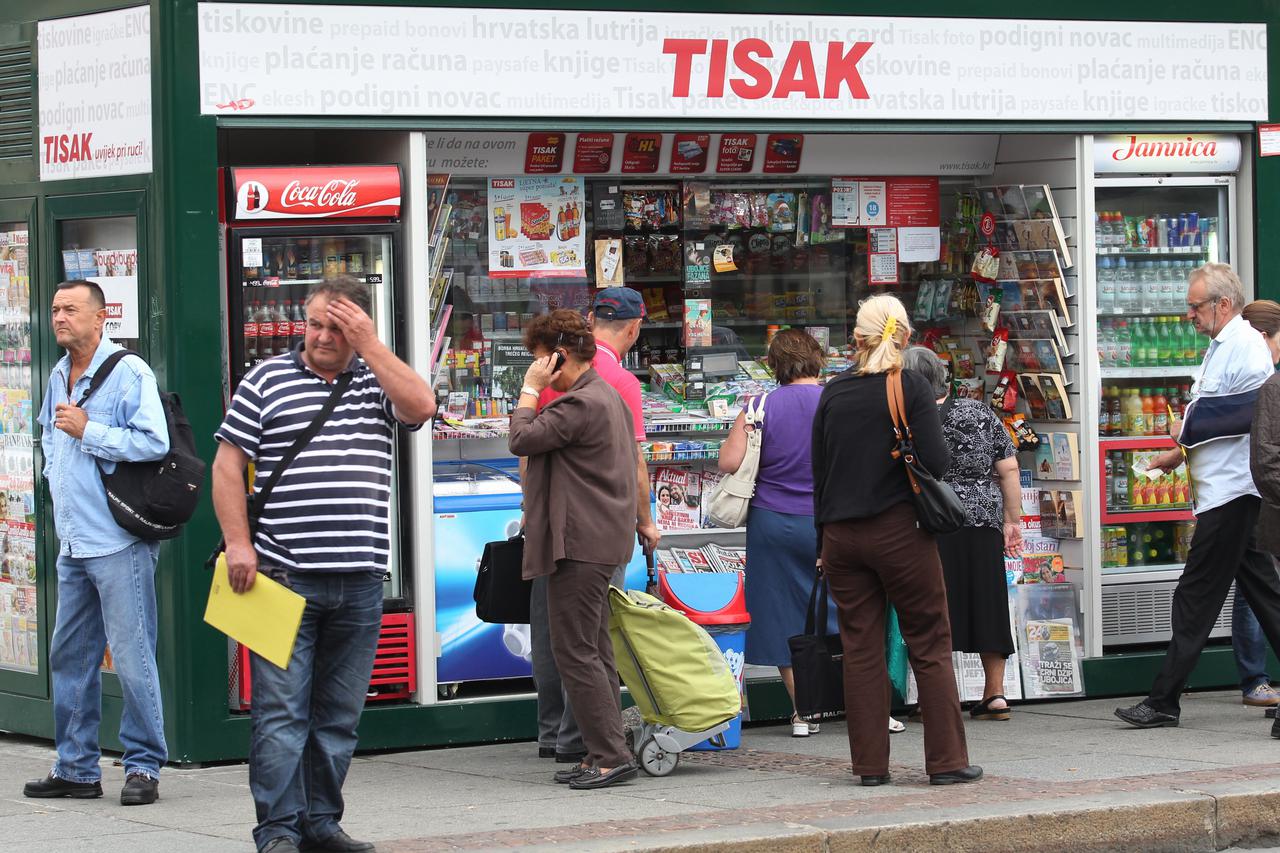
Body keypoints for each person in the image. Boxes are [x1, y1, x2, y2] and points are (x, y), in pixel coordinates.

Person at [212, 277, 435, 853]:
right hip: (283, 575)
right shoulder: (266, 380)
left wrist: (372, 346)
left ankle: (320, 823)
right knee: (281, 714)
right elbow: (227, 466)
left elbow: (421, 406)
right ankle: (278, 830)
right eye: (315, 323)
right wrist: (238, 543)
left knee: (338, 716)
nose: (323, 336)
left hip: (360, 578)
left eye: (338, 327)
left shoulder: (376, 379)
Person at [811, 294, 980, 787]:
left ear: (856, 339)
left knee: (860, 648)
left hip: (841, 536)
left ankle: (869, 767)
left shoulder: (833, 392)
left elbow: (819, 473)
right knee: (928, 640)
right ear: (905, 337)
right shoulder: (910, 385)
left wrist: (823, 542)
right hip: (899, 531)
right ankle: (946, 762)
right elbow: (937, 462)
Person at [23, 280, 169, 806]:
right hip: (74, 542)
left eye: (70, 309)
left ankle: (144, 765)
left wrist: (91, 432)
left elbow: (155, 442)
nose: (59, 317)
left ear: (100, 317)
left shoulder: (129, 372)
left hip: (118, 541)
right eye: (55, 309)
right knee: (70, 658)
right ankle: (77, 768)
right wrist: (54, 477)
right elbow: (49, 435)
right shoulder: (58, 373)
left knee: (132, 658)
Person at [1117, 264, 1280, 731]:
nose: (1189, 314)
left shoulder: (1244, 345)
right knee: (1267, 597)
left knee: (1195, 596)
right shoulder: (1224, 344)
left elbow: (1250, 411)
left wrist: (1184, 428)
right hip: (1228, 491)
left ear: (1222, 305)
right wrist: (1177, 453)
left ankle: (1163, 699)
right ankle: (1163, 700)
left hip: (1232, 492)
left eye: (1195, 306)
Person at [525, 287, 660, 765]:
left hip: (569, 529)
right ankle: (580, 741)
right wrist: (644, 520)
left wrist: (532, 509)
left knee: (564, 639)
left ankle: (570, 738)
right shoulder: (615, 382)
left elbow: (525, 446)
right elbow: (634, 463)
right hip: (590, 529)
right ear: (634, 327)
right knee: (584, 639)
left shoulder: (566, 384)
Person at [509, 309, 639, 790]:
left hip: (581, 544)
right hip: (598, 540)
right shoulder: (604, 395)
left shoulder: (581, 402)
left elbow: (520, 438)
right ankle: (602, 750)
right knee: (594, 651)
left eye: (541, 359)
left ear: (559, 356)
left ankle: (609, 756)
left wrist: (529, 389)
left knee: (576, 652)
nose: (538, 368)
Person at [901, 346, 1022, 722]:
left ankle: (933, 698)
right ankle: (995, 694)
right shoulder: (979, 411)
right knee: (988, 602)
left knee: (931, 608)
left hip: (930, 521)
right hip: (982, 519)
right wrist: (1012, 521)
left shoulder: (908, 417)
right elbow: (1009, 469)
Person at [1240, 299, 1280, 714]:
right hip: (1255, 496)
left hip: (1249, 493)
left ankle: (1255, 678)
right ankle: (1254, 678)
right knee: (1258, 588)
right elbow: (1266, 455)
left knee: (1253, 590)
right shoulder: (1265, 378)